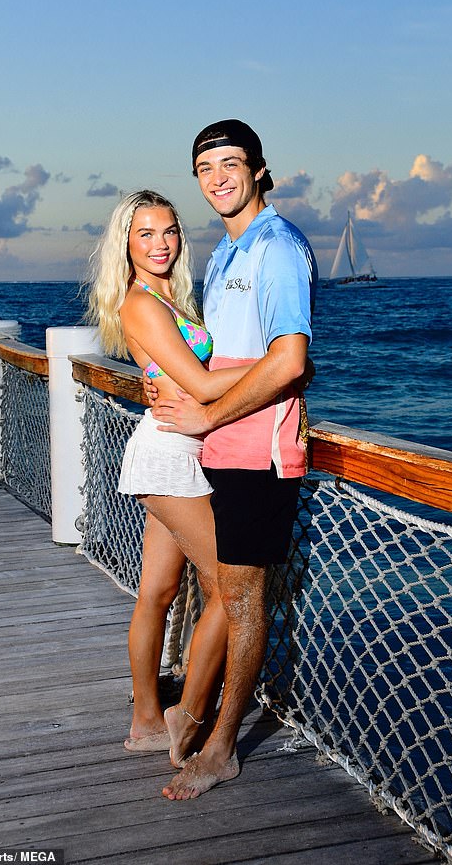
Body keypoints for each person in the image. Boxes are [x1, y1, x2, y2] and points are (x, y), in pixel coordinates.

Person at [151, 120, 318, 799]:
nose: (217, 176)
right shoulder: (225, 254)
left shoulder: (276, 247)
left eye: (230, 162)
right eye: (204, 167)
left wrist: (208, 412)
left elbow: (290, 359)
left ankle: (221, 747)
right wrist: (170, 379)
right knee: (231, 591)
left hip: (260, 451)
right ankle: (194, 714)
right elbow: (221, 354)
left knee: (245, 598)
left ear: (257, 168)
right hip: (219, 447)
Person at [87, 189, 254, 763]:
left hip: (179, 449)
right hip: (168, 456)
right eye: (145, 234)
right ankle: (192, 713)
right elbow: (206, 387)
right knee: (230, 587)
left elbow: (186, 377)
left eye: (169, 232)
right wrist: (284, 361)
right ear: (126, 245)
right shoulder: (143, 305)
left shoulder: (173, 298)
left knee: (157, 593)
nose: (160, 244)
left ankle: (145, 721)